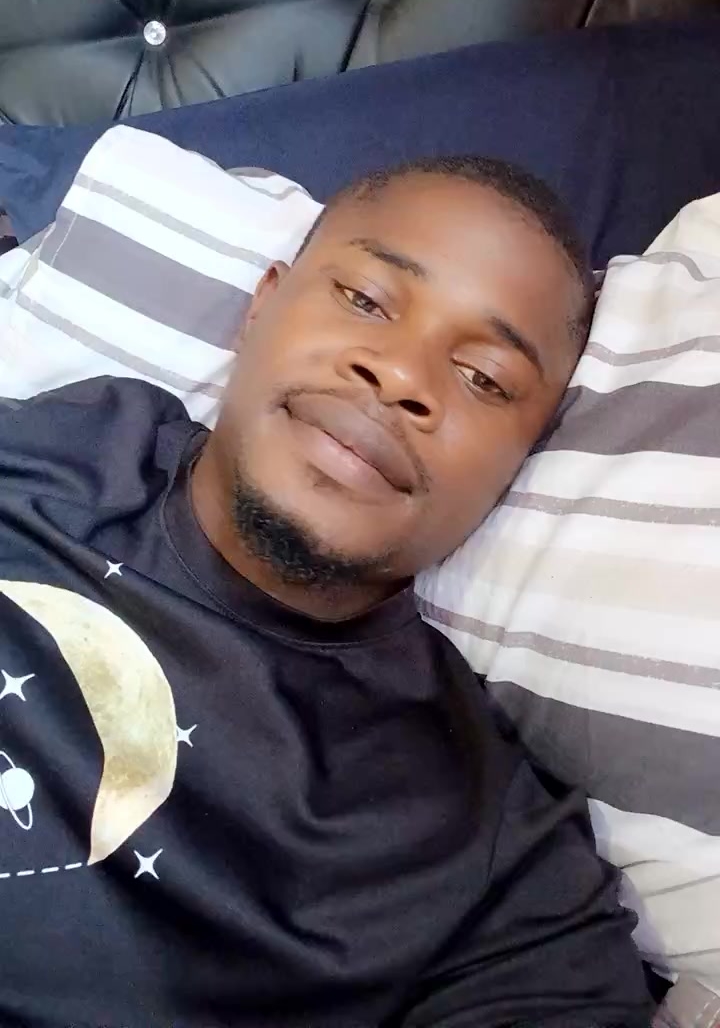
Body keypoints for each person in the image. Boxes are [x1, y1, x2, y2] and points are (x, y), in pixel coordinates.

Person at [0, 157, 652, 1027]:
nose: (402, 376)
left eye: (485, 378)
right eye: (367, 300)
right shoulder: (63, 444)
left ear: (516, 465)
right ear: (262, 306)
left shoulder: (481, 854)